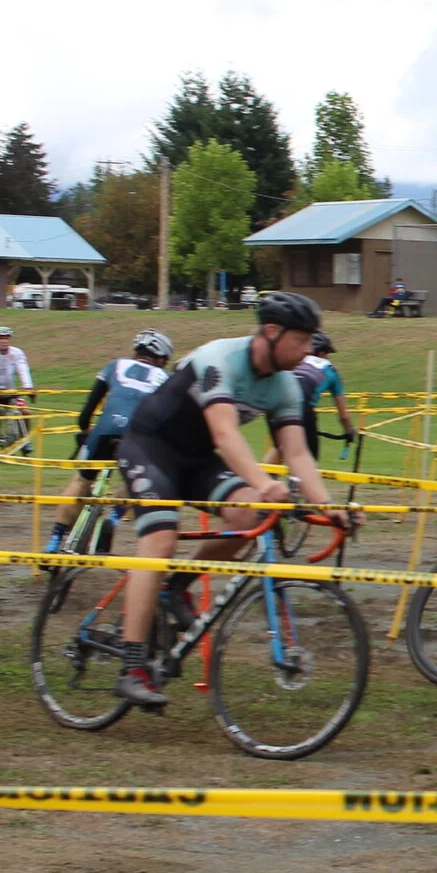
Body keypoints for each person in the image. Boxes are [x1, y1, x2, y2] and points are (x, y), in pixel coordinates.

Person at [110, 293, 352, 709]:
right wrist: (262, 481)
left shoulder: (284, 386)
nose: (309, 350)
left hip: (198, 460)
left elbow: (296, 453)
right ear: (272, 332)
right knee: (161, 540)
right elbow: (225, 433)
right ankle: (132, 666)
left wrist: (328, 505)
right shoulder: (221, 357)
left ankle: (175, 588)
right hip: (151, 448)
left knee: (253, 512)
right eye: (302, 340)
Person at [47, 329, 172, 552]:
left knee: (80, 482)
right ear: (161, 358)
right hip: (137, 436)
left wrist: (85, 431)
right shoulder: (166, 379)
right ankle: (113, 519)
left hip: (104, 430)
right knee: (136, 481)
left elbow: (86, 413)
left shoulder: (114, 365)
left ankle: (55, 540)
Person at [293, 331, 353, 462]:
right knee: (309, 460)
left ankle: (261, 479)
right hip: (303, 408)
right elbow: (343, 415)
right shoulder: (331, 371)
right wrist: (349, 431)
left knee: (281, 446)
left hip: (279, 402)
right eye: (327, 354)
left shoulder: (296, 360)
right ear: (321, 353)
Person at [0, 324, 35, 453]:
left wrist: (28, 387)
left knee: (26, 412)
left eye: (6, 338)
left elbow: (23, 369)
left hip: (10, 391)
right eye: (0, 338)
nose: (4, 341)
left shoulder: (17, 353)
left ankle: (25, 441)